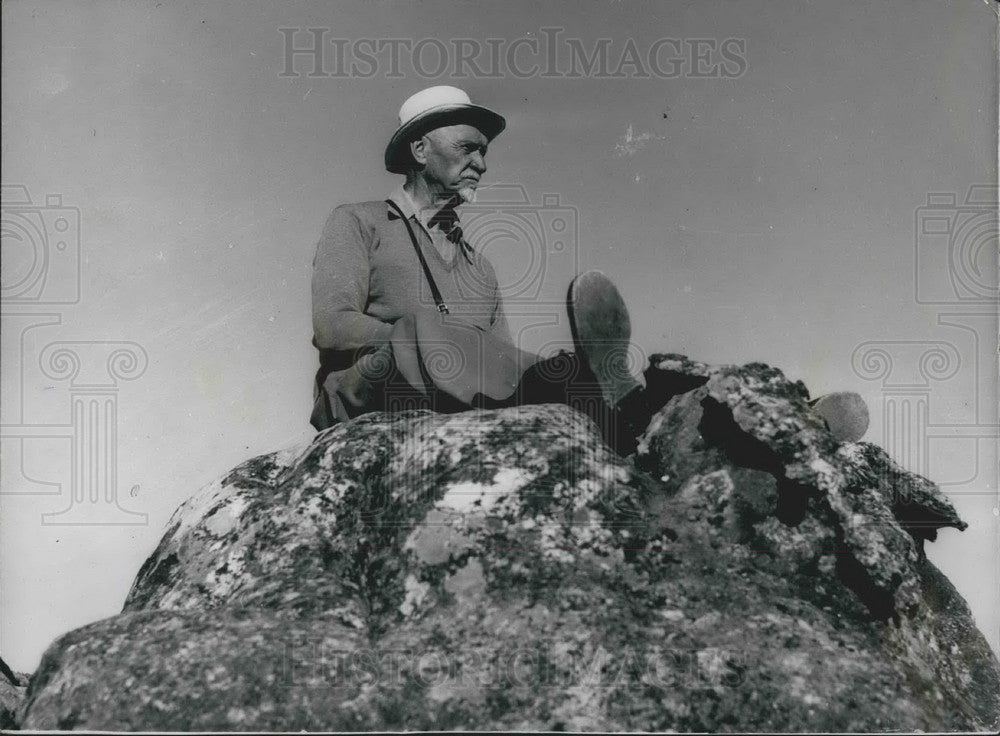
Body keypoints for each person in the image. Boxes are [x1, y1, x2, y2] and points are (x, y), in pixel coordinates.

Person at [309, 85, 869, 454]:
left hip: (465, 391)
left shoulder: (480, 267)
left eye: (485, 150)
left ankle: (745, 415)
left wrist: (518, 365)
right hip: (374, 390)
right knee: (452, 342)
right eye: (468, 146)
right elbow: (334, 329)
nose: (483, 161)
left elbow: (498, 361)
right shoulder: (359, 222)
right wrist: (432, 338)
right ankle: (605, 390)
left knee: (561, 376)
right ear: (420, 149)